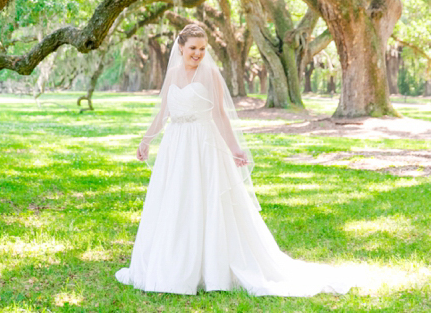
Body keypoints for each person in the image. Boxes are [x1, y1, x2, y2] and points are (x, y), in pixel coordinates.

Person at [115, 23, 357, 297]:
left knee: (207, 201)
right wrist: (146, 140)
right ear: (180, 47)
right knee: (176, 200)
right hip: (176, 145)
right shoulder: (171, 74)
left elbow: (219, 114)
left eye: (203, 49)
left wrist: (234, 148)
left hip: (204, 144)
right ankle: (174, 264)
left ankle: (212, 268)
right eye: (193, 48)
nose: (197, 53)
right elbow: (163, 113)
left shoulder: (210, 75)